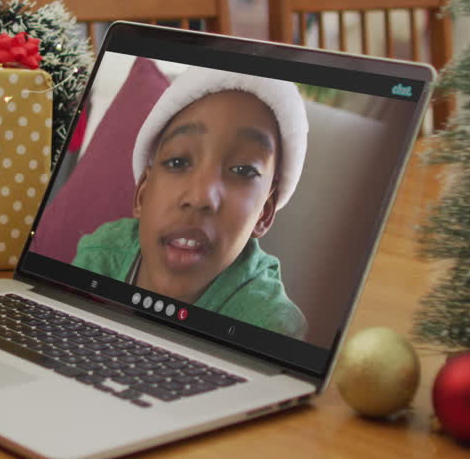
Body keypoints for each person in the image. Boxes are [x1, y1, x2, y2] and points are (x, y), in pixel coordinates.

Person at [72, 67, 309, 338]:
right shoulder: (101, 254)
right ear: (142, 195)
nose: (200, 197)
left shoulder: (270, 325)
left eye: (243, 170)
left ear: (264, 214)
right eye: (178, 162)